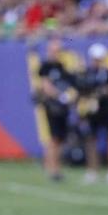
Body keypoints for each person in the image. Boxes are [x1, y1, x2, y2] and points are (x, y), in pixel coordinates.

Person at [78, 43, 108, 184]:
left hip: (107, 110)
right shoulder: (87, 73)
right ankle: (92, 170)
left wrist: (103, 92)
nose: (96, 61)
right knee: (91, 140)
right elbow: (82, 92)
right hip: (91, 112)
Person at [37, 38, 76, 181]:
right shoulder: (45, 66)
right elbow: (45, 86)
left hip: (62, 106)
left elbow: (69, 83)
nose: (57, 53)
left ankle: (53, 166)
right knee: (54, 138)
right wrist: (61, 96)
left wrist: (68, 96)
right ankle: (53, 168)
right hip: (52, 105)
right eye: (55, 50)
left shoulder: (61, 66)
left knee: (59, 139)